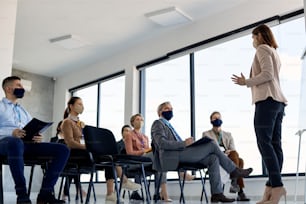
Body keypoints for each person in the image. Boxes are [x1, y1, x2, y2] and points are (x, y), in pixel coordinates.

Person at [151, 101, 253, 203]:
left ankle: (217, 194)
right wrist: (184, 143)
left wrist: (189, 144)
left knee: (213, 158)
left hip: (180, 154)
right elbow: (161, 143)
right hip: (172, 157)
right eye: (167, 109)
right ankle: (233, 171)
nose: (170, 111)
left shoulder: (169, 126)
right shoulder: (158, 123)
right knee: (212, 144)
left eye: (171, 109)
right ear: (160, 112)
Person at [231, 24, 287, 204]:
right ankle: (271, 189)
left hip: (267, 100)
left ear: (260, 36)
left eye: (253, 37)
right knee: (275, 145)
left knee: (264, 144)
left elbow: (268, 75)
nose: (252, 41)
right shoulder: (273, 51)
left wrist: (245, 82)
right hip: (278, 102)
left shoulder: (262, 49)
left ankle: (277, 187)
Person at [0, 76, 69, 204]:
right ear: (8, 88)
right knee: (15, 142)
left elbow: (29, 128)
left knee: (62, 149)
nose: (22, 88)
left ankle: (45, 193)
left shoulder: (23, 111)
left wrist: (36, 135)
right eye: (19, 85)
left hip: (25, 144)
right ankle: (22, 195)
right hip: (6, 143)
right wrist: (12, 132)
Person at [61, 96, 141, 202]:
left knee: (110, 157)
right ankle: (124, 181)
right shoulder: (67, 122)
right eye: (79, 104)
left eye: (82, 104)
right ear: (71, 106)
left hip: (86, 151)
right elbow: (70, 143)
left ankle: (110, 193)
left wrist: (90, 145)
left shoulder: (81, 124)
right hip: (76, 154)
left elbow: (85, 140)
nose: (82, 106)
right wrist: (88, 146)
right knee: (108, 156)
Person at [202, 111, 250, 201]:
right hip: (216, 158)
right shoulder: (206, 134)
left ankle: (235, 181)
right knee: (240, 161)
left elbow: (233, 149)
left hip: (229, 157)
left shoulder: (228, 135)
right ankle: (239, 191)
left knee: (238, 157)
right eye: (215, 118)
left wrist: (228, 152)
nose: (217, 120)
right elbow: (208, 150)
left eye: (219, 118)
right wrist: (222, 153)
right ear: (211, 121)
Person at [124, 114, 171, 201]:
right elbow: (129, 153)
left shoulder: (145, 137)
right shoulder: (129, 135)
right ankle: (164, 193)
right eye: (137, 119)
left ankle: (157, 193)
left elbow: (148, 151)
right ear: (132, 122)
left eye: (141, 120)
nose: (140, 121)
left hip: (146, 161)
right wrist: (143, 151)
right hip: (134, 162)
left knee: (159, 166)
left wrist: (148, 151)